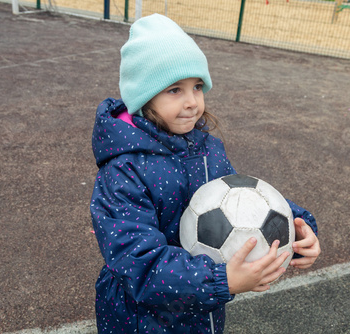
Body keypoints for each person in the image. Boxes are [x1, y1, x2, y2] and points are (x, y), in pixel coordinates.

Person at [90, 13, 320, 333]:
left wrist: (299, 228)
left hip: (202, 310)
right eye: (174, 90)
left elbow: (246, 200)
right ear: (143, 97)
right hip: (142, 319)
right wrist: (221, 280)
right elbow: (138, 263)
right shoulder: (123, 172)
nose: (192, 102)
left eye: (197, 87)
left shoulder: (206, 148)